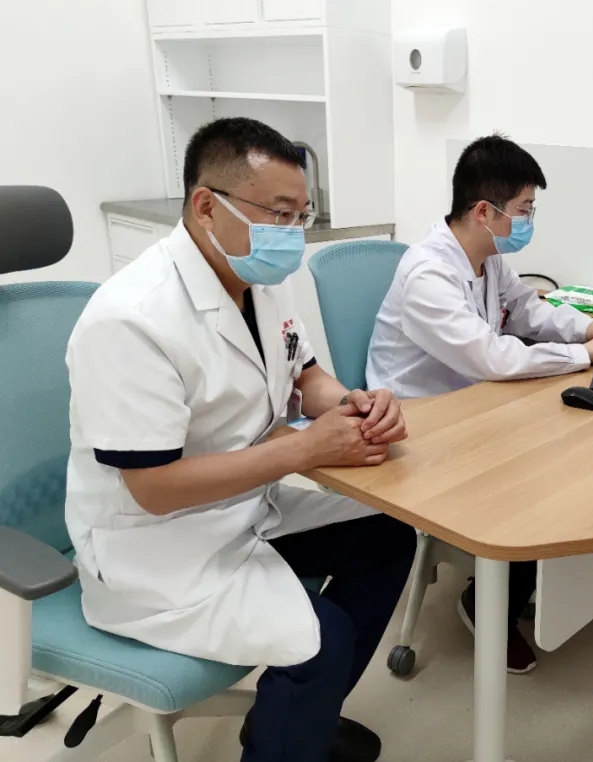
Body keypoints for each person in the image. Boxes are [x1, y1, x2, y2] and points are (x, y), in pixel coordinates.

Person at [65, 117, 415, 762]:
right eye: (279, 214)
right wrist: (304, 450)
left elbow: (305, 375)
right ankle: (295, 724)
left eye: (302, 216)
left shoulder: (260, 281)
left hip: (242, 505)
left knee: (389, 536)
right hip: (156, 549)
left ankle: (294, 722)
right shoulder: (131, 318)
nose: (293, 233)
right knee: (322, 642)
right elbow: (152, 489)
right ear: (207, 206)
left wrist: (355, 403)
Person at [366, 133, 593, 674]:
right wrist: (583, 354)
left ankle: (527, 580)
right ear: (483, 211)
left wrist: (586, 328)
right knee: (538, 472)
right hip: (420, 422)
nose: (527, 221)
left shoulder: (487, 257)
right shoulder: (429, 274)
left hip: (475, 403)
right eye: (523, 209)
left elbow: (527, 310)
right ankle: (488, 602)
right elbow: (491, 358)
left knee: (569, 445)